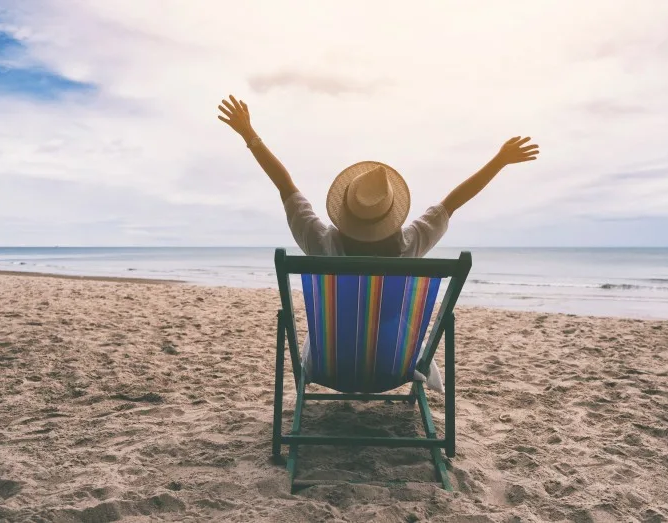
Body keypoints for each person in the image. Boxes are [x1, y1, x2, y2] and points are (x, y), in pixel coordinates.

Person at [217, 94, 539, 391]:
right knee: (402, 330)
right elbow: (452, 202)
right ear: (391, 215)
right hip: (394, 367)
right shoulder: (409, 244)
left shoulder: (323, 244)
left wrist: (249, 134)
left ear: (344, 212)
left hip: (330, 366)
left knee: (324, 331)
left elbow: (285, 186)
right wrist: (500, 160)